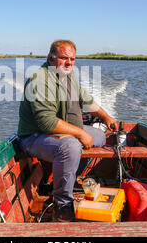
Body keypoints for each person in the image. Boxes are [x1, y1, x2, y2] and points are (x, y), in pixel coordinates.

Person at [17, 40, 119, 222]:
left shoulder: (68, 78)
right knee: (70, 147)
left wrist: (106, 117)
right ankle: (62, 203)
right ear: (51, 58)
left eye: (72, 59)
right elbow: (47, 122)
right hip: (34, 136)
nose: (69, 62)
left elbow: (87, 101)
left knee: (100, 136)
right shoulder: (39, 80)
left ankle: (71, 174)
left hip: (58, 130)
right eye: (64, 58)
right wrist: (79, 134)